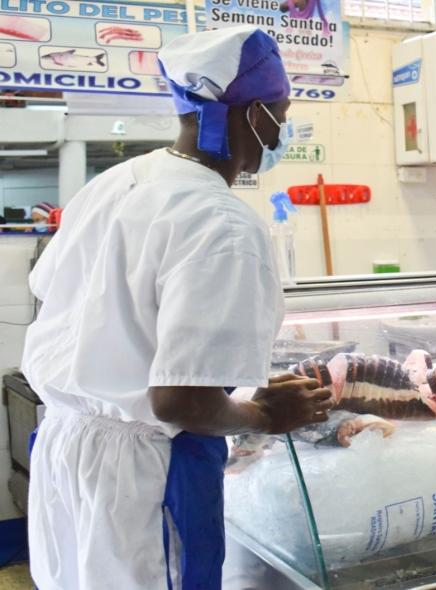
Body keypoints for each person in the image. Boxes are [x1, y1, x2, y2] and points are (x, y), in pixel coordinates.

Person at [21, 26, 335, 590]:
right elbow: (181, 400)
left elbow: (64, 300)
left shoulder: (115, 182)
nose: (282, 129)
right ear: (253, 112)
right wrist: (263, 415)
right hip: (145, 480)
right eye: (281, 112)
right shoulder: (222, 220)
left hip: (66, 452)